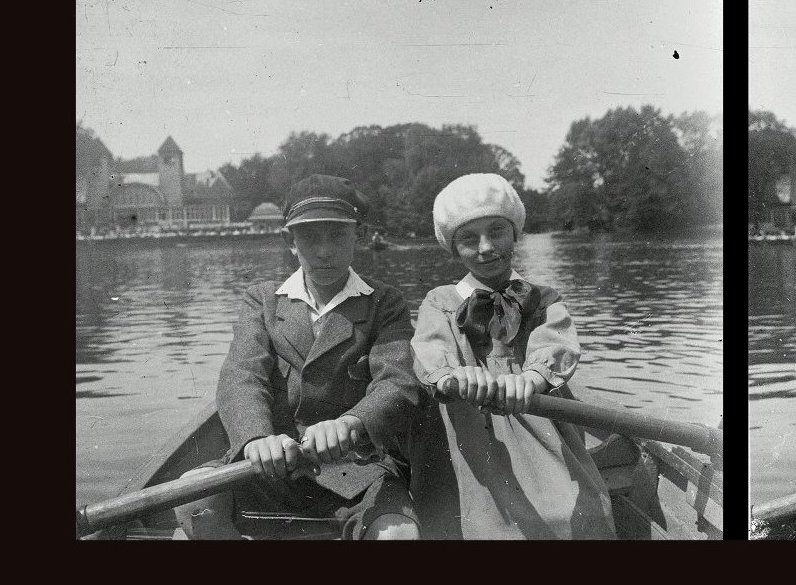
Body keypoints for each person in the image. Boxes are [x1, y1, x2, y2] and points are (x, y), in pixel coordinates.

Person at [172, 175, 427, 539]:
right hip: (270, 468)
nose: (324, 251)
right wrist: (255, 439)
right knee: (193, 502)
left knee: (398, 535)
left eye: (338, 235)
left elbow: (398, 384)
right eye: (309, 237)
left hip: (357, 470)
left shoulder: (385, 302)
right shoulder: (262, 300)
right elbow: (242, 376)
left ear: (358, 235)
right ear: (290, 241)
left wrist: (350, 423)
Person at [408, 173, 616, 539]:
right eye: (468, 239)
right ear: (453, 248)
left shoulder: (543, 298)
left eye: (497, 231)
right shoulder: (440, 303)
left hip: (540, 416)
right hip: (473, 431)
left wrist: (532, 378)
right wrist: (454, 376)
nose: (486, 247)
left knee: (577, 511)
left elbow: (556, 344)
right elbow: (430, 351)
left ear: (515, 233)